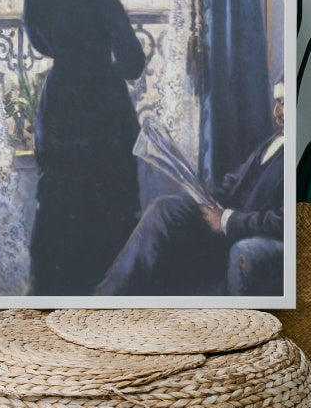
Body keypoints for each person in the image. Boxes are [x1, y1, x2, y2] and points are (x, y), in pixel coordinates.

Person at [23, 0, 146, 295]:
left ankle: (56, 287)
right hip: (106, 107)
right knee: (110, 194)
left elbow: (41, 46)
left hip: (60, 103)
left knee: (59, 191)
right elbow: (133, 64)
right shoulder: (106, 1)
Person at [95, 77, 286, 297]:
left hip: (235, 229)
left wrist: (225, 220)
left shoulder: (299, 156)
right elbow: (234, 182)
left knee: (163, 215)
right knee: (164, 208)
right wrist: (199, 194)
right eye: (276, 102)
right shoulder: (273, 141)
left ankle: (107, 297)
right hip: (221, 213)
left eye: (282, 102)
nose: (276, 111)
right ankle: (110, 294)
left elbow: (283, 219)